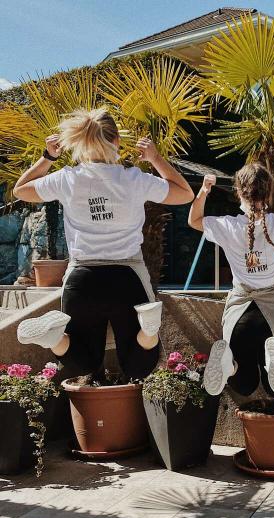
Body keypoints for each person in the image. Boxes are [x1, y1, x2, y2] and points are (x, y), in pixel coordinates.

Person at [14, 107, 194, 380]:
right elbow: (185, 194)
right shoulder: (134, 178)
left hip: (82, 278)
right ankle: (147, 331)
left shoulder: (67, 178)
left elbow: (21, 190)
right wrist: (156, 158)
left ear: (81, 142)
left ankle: (54, 338)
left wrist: (47, 158)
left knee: (83, 362)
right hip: (128, 276)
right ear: (117, 141)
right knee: (139, 365)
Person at [188, 164, 274, 397]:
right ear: (270, 192)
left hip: (239, 313)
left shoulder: (228, 225)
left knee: (244, 386)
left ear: (238, 191)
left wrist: (204, 191)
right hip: (271, 314)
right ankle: (273, 361)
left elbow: (194, 220)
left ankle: (229, 366)